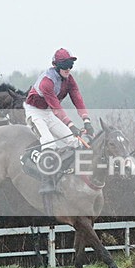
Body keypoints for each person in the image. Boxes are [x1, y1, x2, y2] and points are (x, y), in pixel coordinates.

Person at [24, 48, 93, 197]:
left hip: (49, 112)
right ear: (56, 66)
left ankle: (72, 174)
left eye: (70, 65)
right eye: (65, 66)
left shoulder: (69, 79)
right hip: (34, 112)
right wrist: (71, 124)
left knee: (74, 141)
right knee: (49, 143)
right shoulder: (46, 82)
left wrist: (86, 120)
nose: (68, 69)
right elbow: (57, 107)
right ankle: (46, 181)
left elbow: (77, 98)